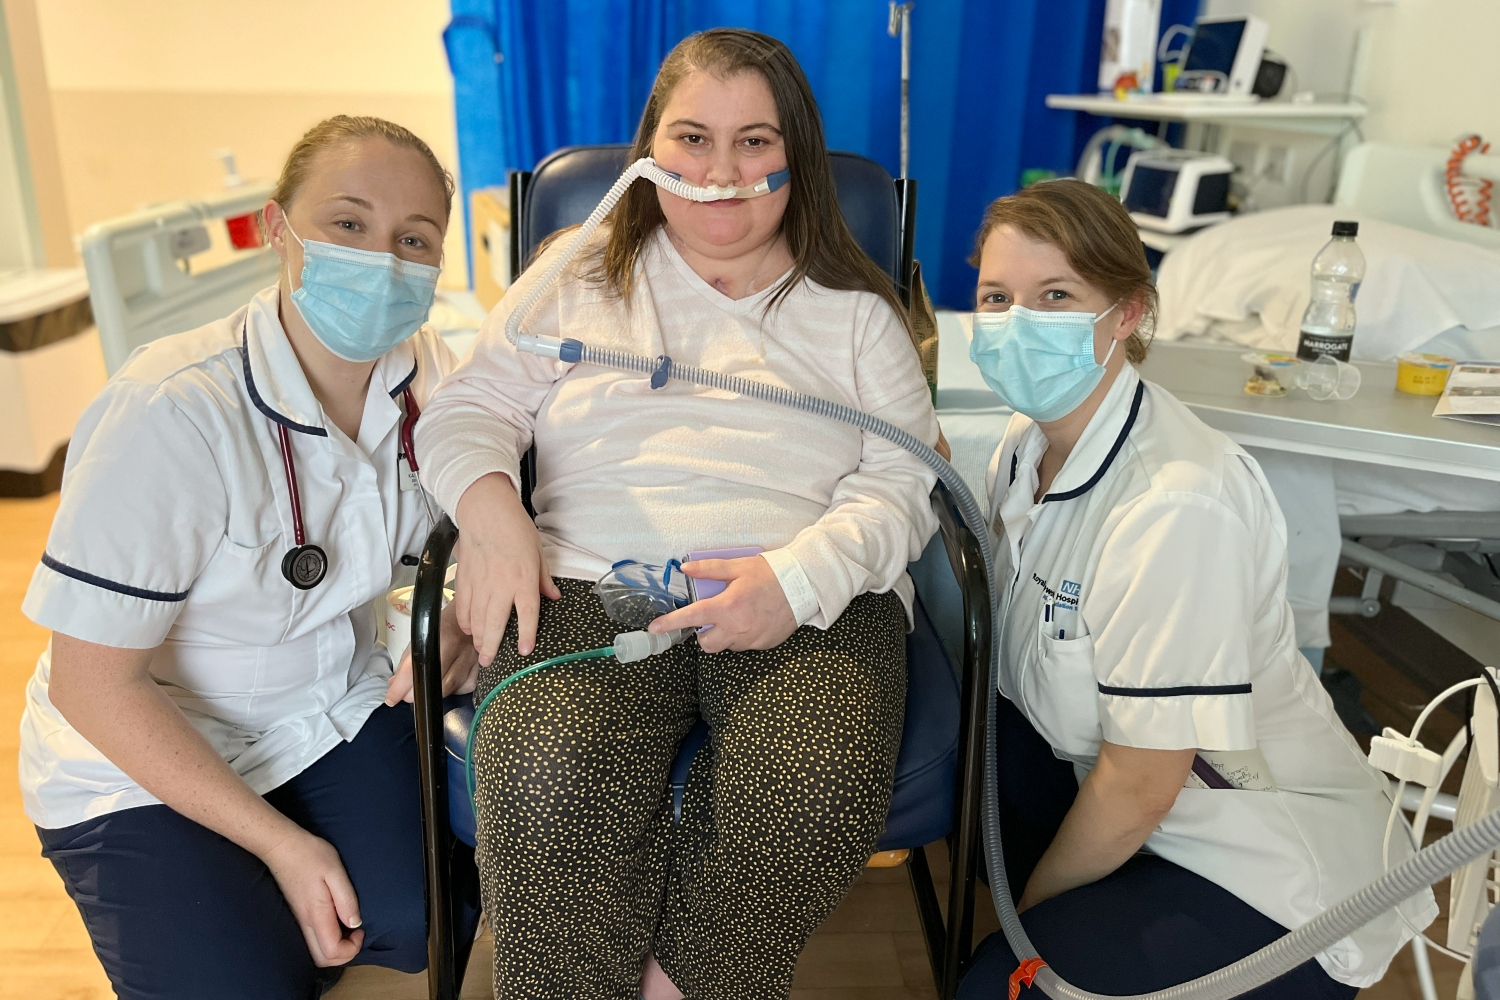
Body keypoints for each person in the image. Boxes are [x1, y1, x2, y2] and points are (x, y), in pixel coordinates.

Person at [413, 27, 939, 1000]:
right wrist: (492, 517)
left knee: (810, 783)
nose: (721, 171)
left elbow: (903, 482)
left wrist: (799, 580)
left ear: (796, 158)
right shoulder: (577, 271)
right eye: (693, 138)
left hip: (805, 589)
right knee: (543, 772)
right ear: (651, 147)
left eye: (754, 141)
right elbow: (469, 410)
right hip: (592, 582)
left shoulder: (855, 311)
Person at [20, 115, 482, 999]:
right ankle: (221, 903)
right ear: (278, 229)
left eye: (413, 239)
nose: (382, 260)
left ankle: (240, 907)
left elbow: (485, 516)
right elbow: (92, 687)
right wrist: (280, 844)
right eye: (348, 224)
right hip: (139, 750)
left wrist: (459, 611)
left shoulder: (428, 375)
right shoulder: (171, 412)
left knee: (431, 918)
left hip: (321, 712)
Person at [955, 179, 1435, 999]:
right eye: (997, 298)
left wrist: (1025, 922)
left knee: (1002, 987)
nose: (1016, 324)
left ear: (1130, 312)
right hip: (1135, 799)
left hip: (1260, 863)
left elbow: (1142, 783)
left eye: (1056, 296)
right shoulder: (1025, 447)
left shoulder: (1174, 502)